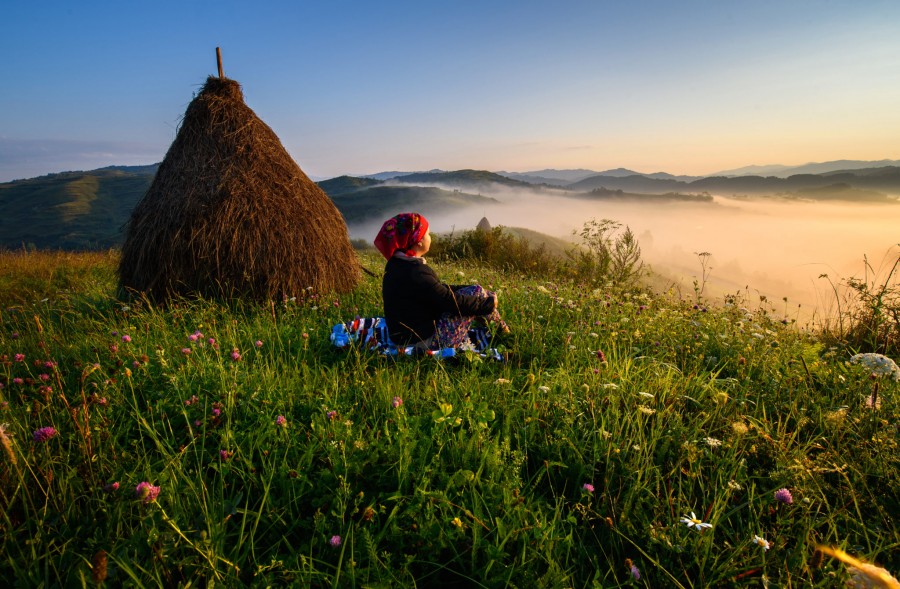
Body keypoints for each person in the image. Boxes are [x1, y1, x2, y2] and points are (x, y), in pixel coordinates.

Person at [374, 212, 509, 350]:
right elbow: (449, 302)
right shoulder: (416, 272)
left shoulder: (397, 265)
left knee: (476, 290)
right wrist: (488, 303)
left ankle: (497, 330)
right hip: (423, 342)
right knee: (479, 295)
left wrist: (471, 289)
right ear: (418, 241)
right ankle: (504, 334)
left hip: (403, 338)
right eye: (427, 234)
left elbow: (437, 289)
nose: (430, 238)